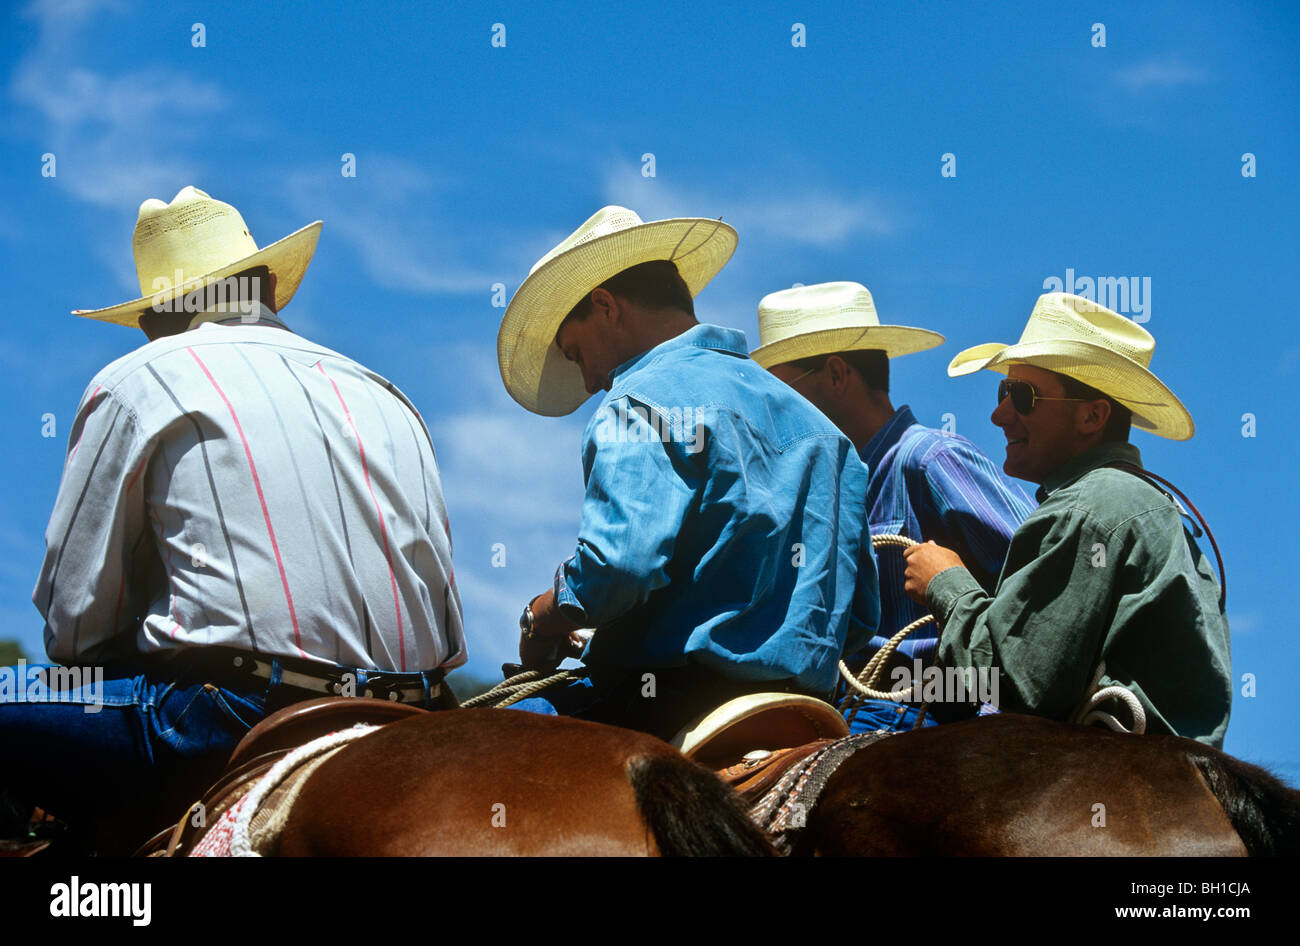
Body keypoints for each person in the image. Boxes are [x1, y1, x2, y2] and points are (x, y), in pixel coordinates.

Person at [0, 186, 465, 849]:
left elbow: (75, 627)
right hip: (414, 713)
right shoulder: (389, 395)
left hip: (234, 710)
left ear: (155, 318)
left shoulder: (140, 380)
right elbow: (444, 626)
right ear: (271, 289)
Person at [495, 206, 880, 741]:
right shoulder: (827, 435)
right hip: (808, 713)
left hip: (662, 704)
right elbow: (860, 616)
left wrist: (542, 616)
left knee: (471, 747)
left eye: (575, 352)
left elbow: (620, 568)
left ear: (606, 306)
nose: (587, 381)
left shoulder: (639, 402)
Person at [902, 292, 1231, 746]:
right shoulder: (1138, 501)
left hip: (1116, 776)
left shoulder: (1088, 507)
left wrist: (947, 585)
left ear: (1093, 416)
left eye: (1022, 396)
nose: (999, 415)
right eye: (1004, 393)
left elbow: (1015, 686)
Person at [754, 281, 1034, 732]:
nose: (774, 412)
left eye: (783, 392)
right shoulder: (833, 486)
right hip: (857, 708)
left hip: (928, 711)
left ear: (836, 374)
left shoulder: (931, 459)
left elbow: (1042, 577)